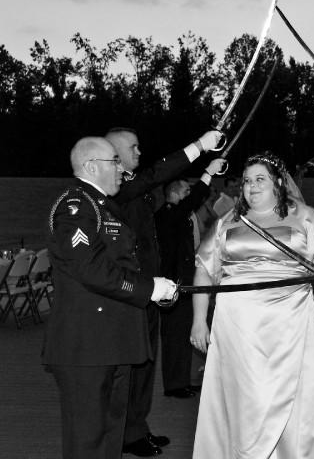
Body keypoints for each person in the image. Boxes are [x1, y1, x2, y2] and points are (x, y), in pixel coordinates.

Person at [190, 152, 314, 459]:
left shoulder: (305, 216)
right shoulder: (227, 221)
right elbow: (204, 269)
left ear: (278, 183)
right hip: (236, 328)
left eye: (260, 179)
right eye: (246, 181)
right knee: (243, 398)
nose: (251, 186)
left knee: (293, 399)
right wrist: (198, 320)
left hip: (291, 325)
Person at [42, 137, 177, 459]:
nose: (122, 169)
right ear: (91, 166)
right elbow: (89, 268)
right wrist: (148, 289)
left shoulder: (103, 205)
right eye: (114, 161)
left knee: (110, 438)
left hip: (113, 340)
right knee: (88, 440)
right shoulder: (75, 206)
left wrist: (155, 286)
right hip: (87, 346)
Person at [105, 127, 221, 457]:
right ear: (113, 152)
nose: (140, 152)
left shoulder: (137, 190)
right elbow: (157, 176)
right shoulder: (117, 189)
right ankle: (125, 432)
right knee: (131, 367)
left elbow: (185, 202)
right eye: (133, 147)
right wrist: (198, 146)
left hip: (149, 290)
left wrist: (208, 174)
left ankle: (137, 429)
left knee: (145, 363)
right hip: (131, 292)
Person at [155, 163, 224, 399]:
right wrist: (207, 175)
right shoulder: (167, 214)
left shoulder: (178, 215)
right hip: (172, 284)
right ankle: (174, 384)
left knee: (185, 331)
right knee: (175, 335)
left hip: (185, 282)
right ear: (174, 194)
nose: (188, 197)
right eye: (185, 192)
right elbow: (192, 203)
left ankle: (181, 380)